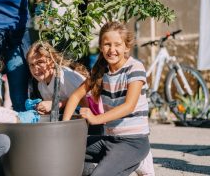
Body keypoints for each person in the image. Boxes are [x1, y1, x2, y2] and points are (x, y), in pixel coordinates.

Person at [62, 21, 153, 176]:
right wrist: (63, 127)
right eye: (107, 44)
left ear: (126, 47)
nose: (112, 50)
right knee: (65, 149)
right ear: (101, 47)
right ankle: (125, 164)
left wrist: (96, 119)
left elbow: (129, 106)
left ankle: (135, 160)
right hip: (110, 139)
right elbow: (76, 96)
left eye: (117, 44)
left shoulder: (135, 68)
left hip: (134, 142)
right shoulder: (100, 70)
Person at [25, 41, 89, 115]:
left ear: (52, 61)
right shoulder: (41, 85)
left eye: (40, 62)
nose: (35, 68)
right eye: (31, 65)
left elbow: (83, 102)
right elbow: (53, 110)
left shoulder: (65, 76)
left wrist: (54, 105)